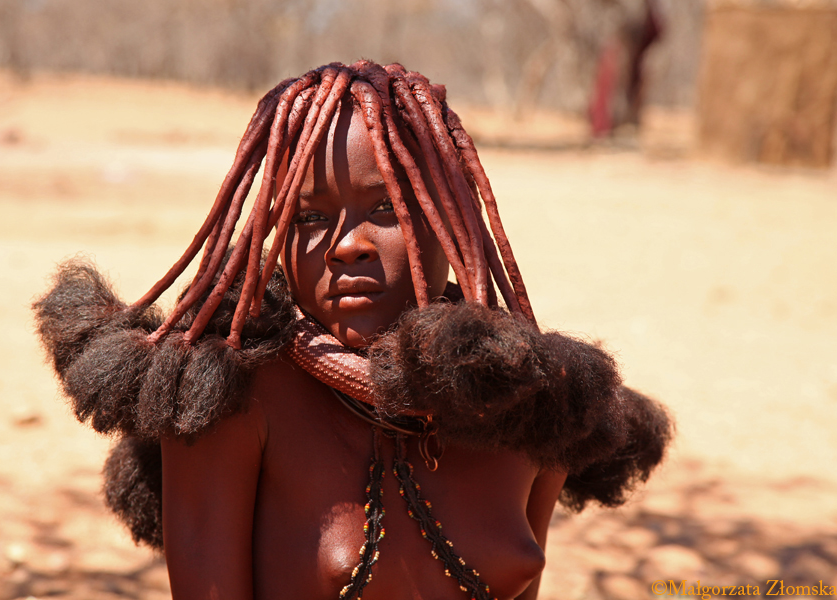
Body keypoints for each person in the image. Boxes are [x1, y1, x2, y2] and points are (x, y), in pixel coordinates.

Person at [33, 60, 671, 600]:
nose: (349, 245)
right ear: (276, 236)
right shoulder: (232, 399)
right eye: (310, 218)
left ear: (452, 216)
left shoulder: (527, 404)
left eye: (389, 208)